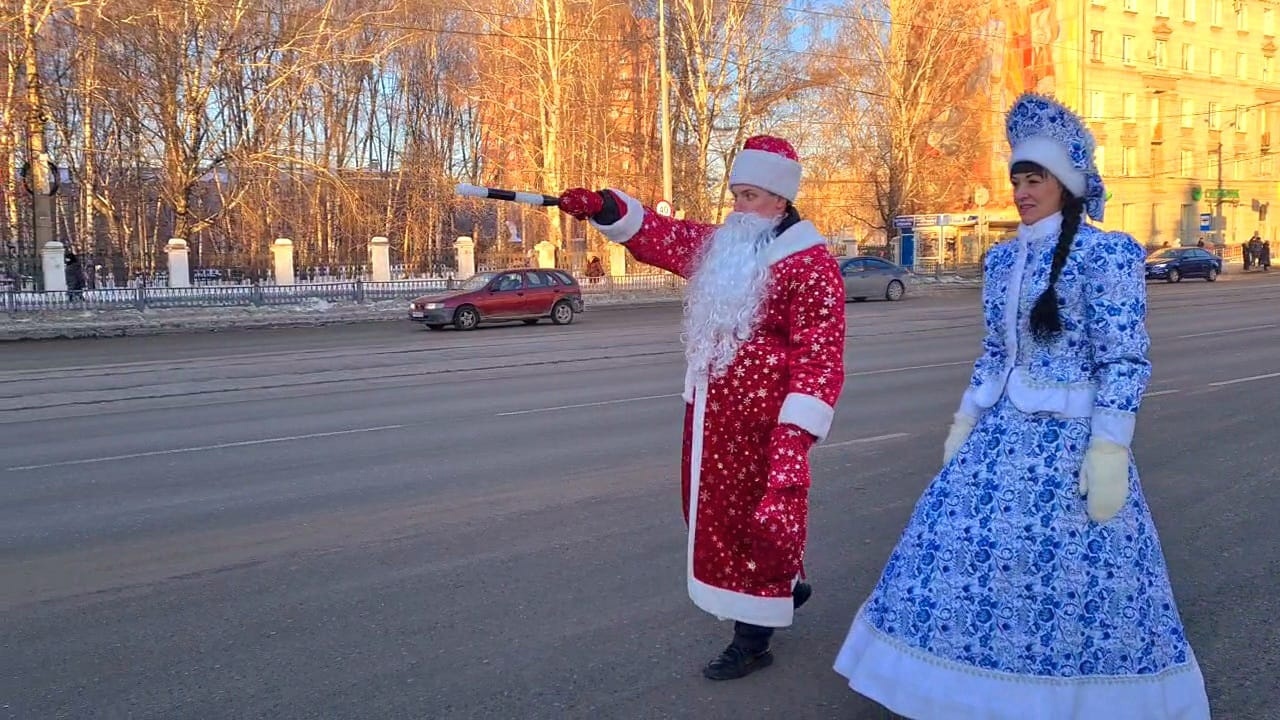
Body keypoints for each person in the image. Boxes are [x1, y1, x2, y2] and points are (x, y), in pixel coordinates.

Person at [833, 93, 1210, 718]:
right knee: (964, 560)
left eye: (1035, 178)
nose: (1023, 190)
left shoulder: (1107, 253)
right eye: (1017, 178)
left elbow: (1124, 359)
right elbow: (993, 352)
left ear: (1064, 183)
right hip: (1000, 437)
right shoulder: (1003, 259)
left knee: (1074, 584)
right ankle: (970, 692)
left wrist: (1110, 447)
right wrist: (966, 418)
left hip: (1071, 446)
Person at [559, 135, 846, 681]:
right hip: (713, 420)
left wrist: (793, 442)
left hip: (766, 427)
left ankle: (752, 639)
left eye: (752, 196)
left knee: (750, 528)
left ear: (781, 200)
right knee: (712, 520)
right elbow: (668, 236)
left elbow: (820, 360)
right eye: (736, 194)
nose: (739, 207)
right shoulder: (731, 247)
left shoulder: (809, 267)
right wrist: (607, 209)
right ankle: (787, 584)